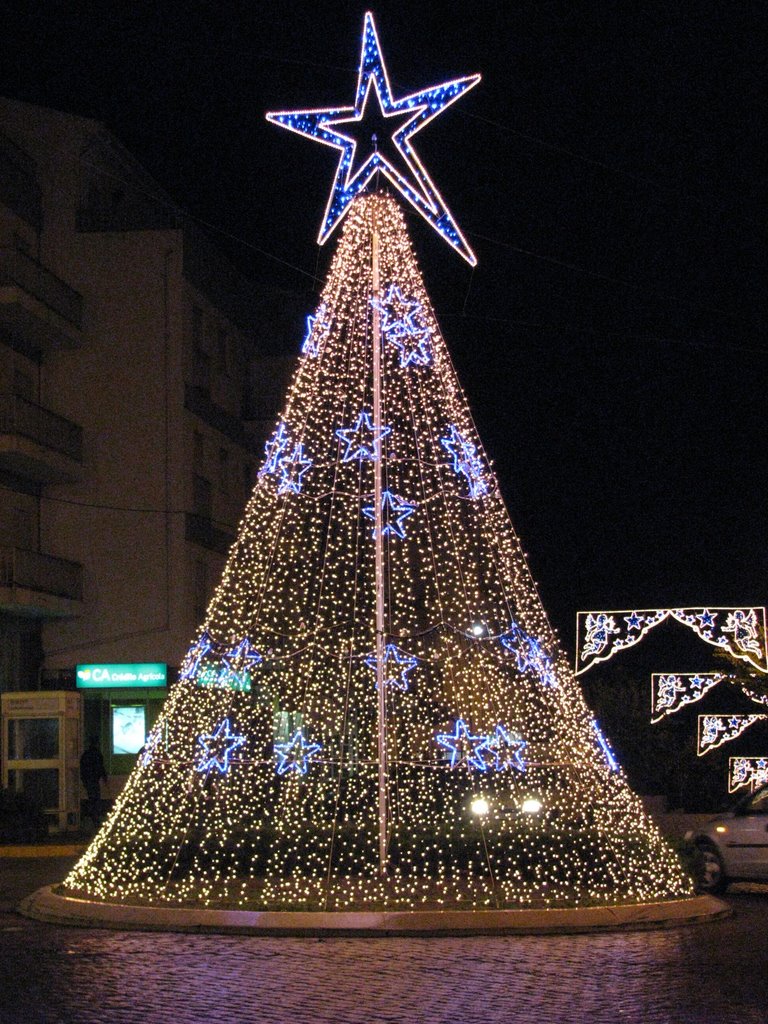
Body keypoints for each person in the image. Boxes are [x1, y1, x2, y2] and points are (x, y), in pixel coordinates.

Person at [80, 736, 107, 827]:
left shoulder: (86, 754)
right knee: (95, 799)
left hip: (89, 780)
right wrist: (104, 778)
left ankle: (93, 818)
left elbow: (83, 768)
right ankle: (95, 818)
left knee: (92, 799)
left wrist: (84, 780)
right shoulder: (97, 754)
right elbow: (100, 767)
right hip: (94, 780)